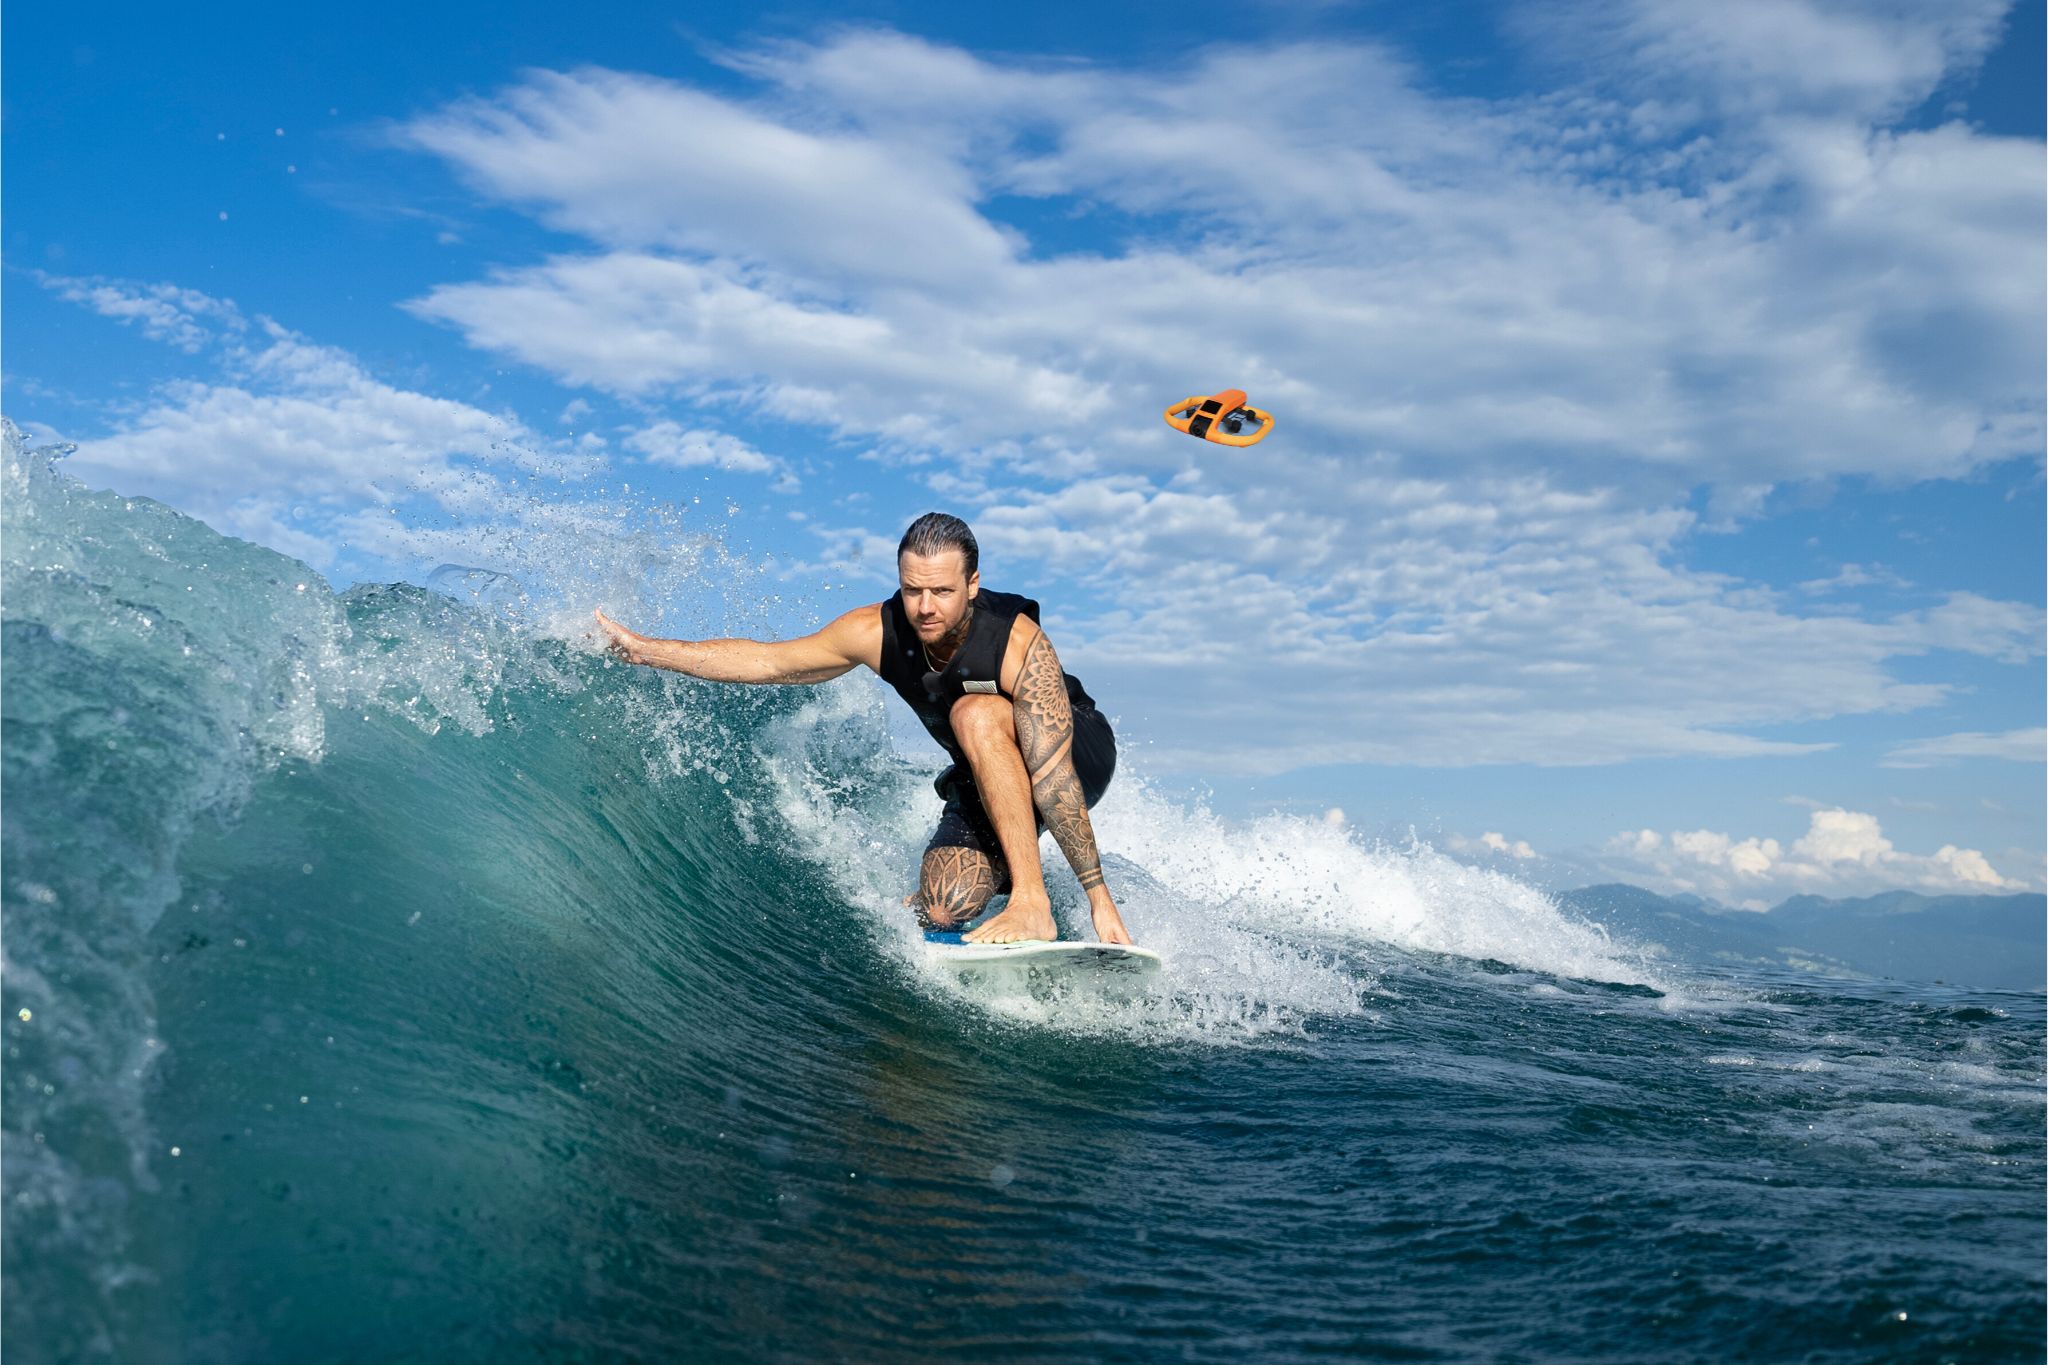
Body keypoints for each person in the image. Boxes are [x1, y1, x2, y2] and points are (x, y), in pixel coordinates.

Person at [593, 512, 1134, 947]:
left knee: (976, 711)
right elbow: (771, 662)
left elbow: (1054, 777)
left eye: (942, 591)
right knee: (946, 903)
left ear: (972, 584)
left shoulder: (1015, 642)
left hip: (1073, 754)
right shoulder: (875, 630)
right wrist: (647, 651)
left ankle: (1033, 902)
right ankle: (1004, 883)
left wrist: (1097, 896)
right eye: (912, 590)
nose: (924, 608)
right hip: (985, 766)